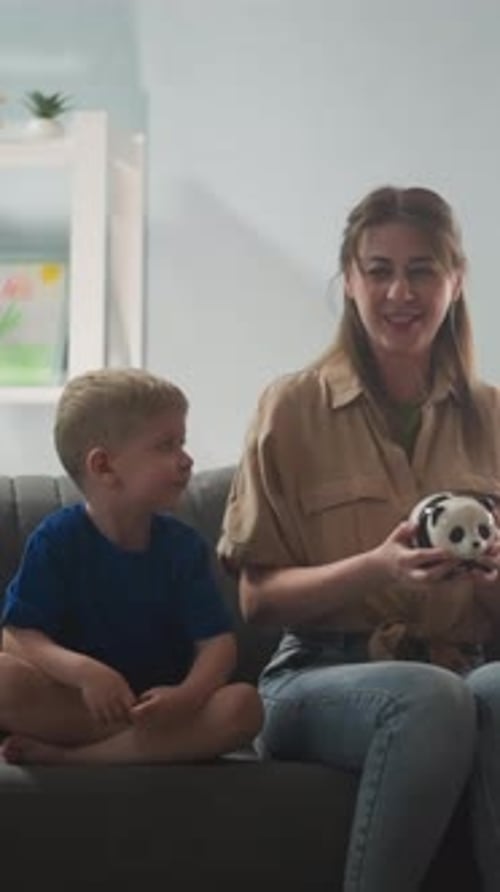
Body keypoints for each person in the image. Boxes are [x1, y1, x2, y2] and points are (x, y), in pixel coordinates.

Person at [217, 185, 500, 892]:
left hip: (465, 664)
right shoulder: (293, 407)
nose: (400, 292)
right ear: (349, 280)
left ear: (456, 280)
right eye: (379, 271)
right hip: (319, 675)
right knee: (431, 700)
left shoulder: (492, 415)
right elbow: (257, 600)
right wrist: (378, 567)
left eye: (422, 270)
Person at [0, 368, 263, 765]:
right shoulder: (56, 540)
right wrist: (85, 673)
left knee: (244, 705)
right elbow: (20, 635)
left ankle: (77, 760)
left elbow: (217, 644)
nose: (186, 459)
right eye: (166, 446)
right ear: (104, 467)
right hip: (84, 705)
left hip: (166, 710)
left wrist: (187, 696)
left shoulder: (183, 546)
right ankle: (142, 746)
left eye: (182, 443)